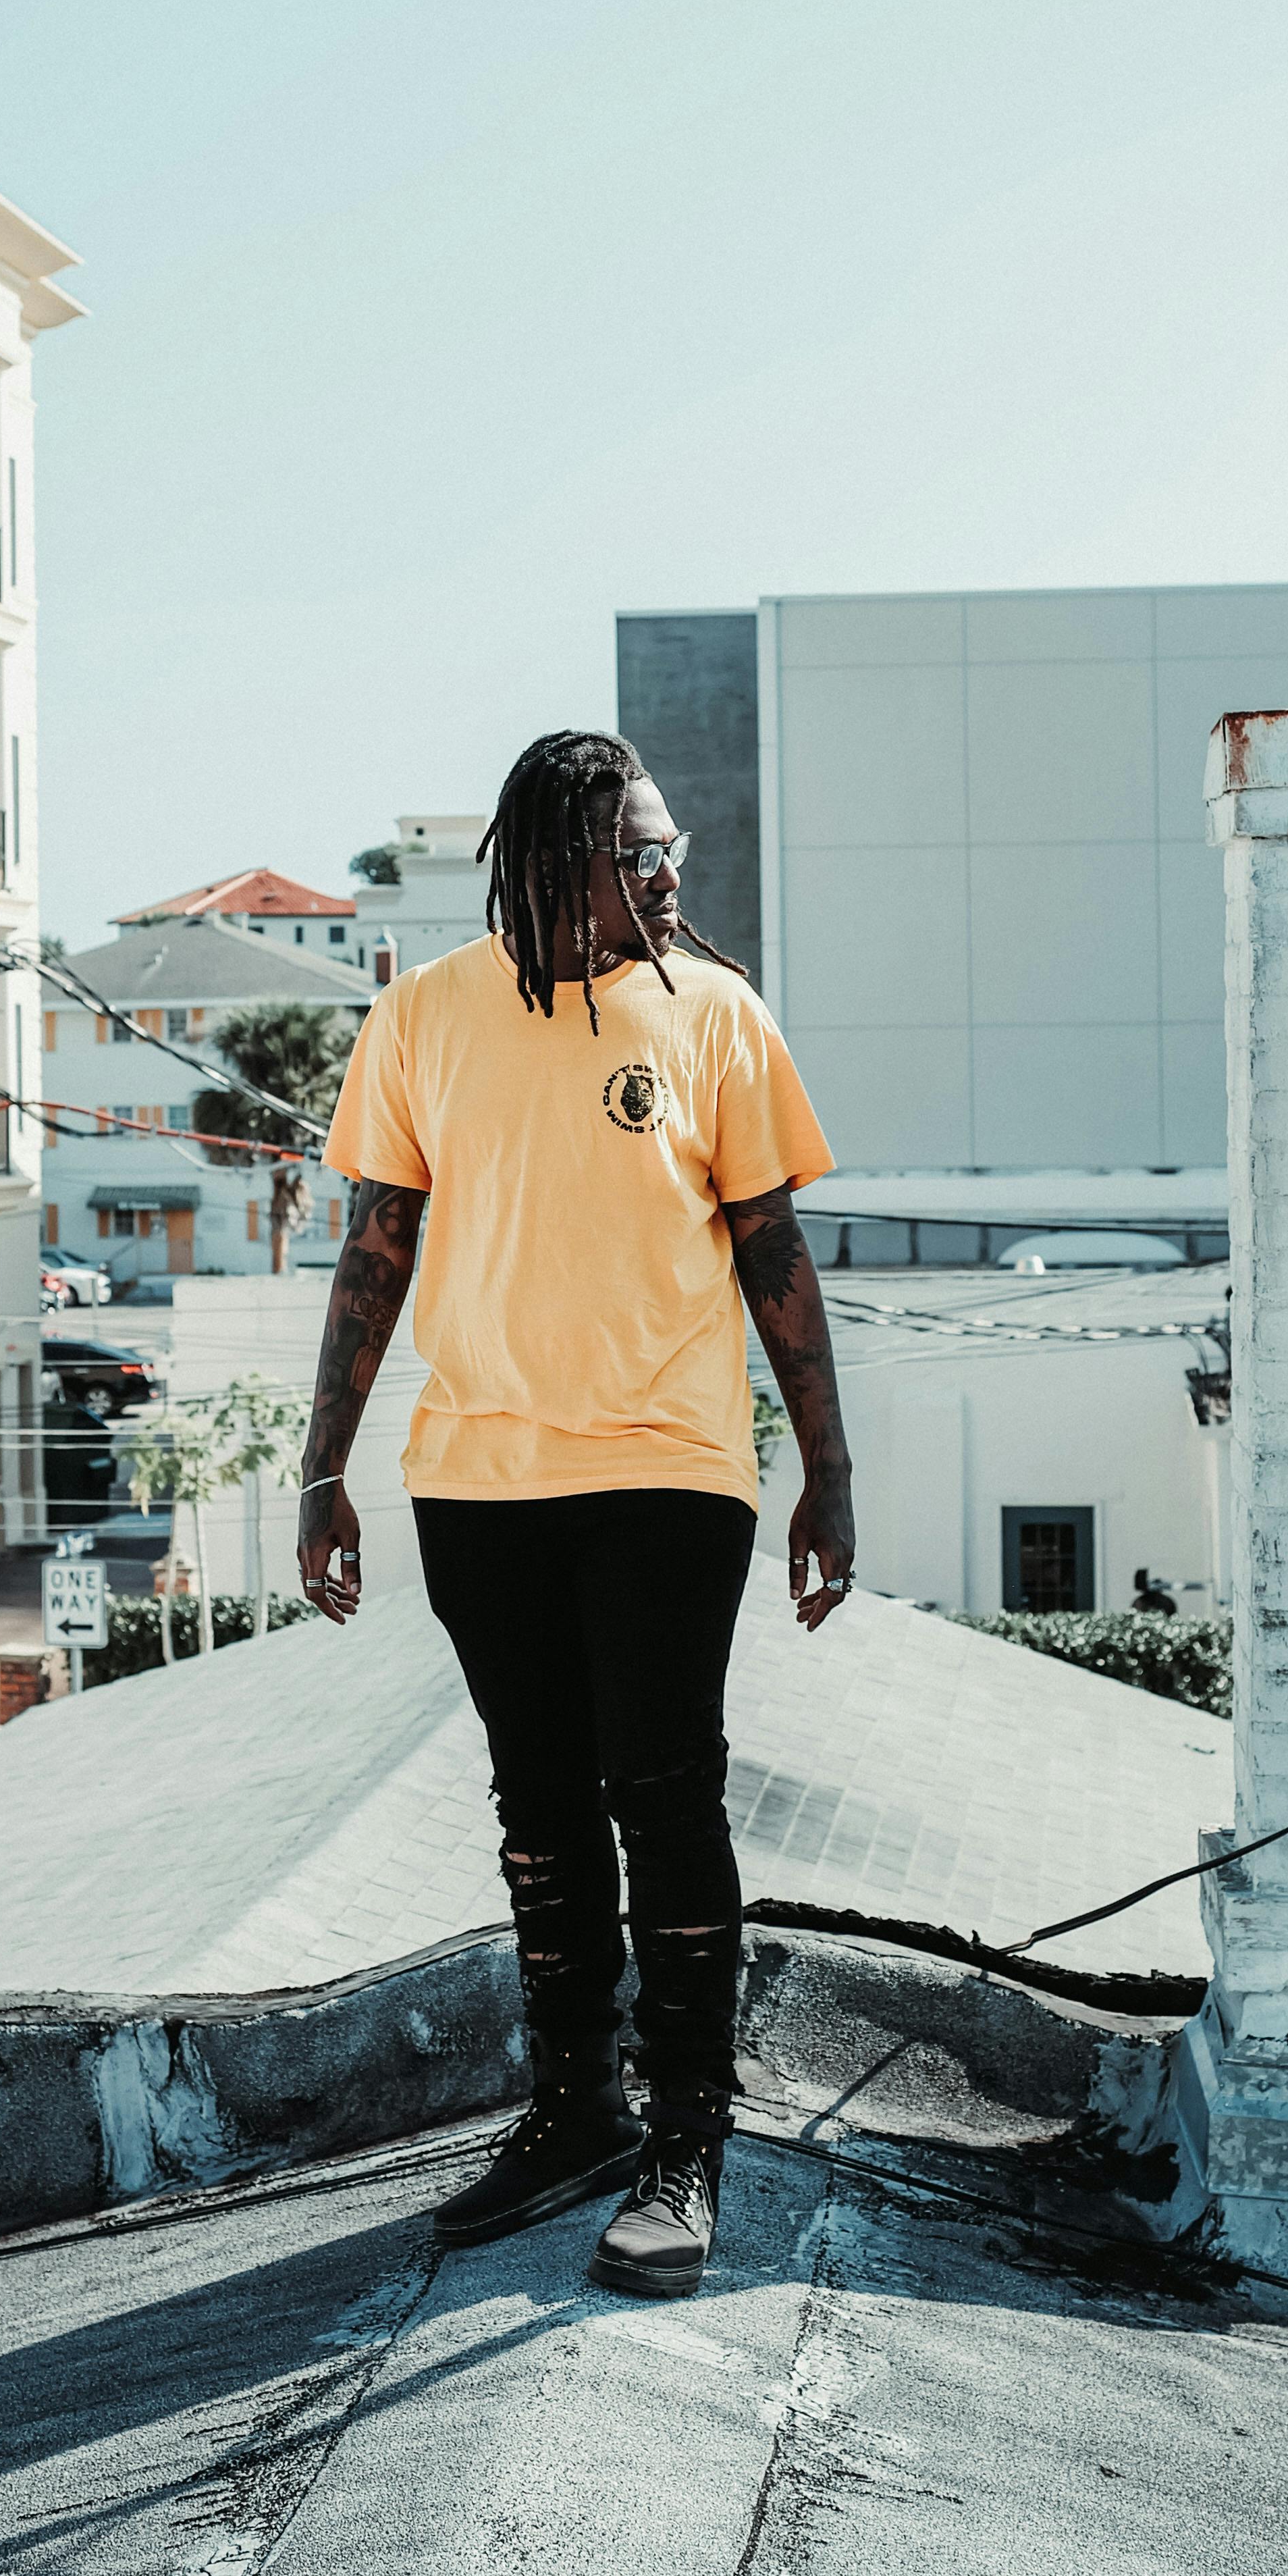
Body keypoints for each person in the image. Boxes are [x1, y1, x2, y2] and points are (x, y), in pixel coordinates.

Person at [298, 727, 855, 2298]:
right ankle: (576, 2112)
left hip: (673, 1473)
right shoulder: (421, 1018)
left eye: (671, 852)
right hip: (479, 1482)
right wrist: (322, 1465)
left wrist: (832, 1468)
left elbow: (775, 1255)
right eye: (643, 853)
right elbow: (374, 1254)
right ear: (558, 864)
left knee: (664, 1799)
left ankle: (689, 2141)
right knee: (538, 1811)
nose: (671, 877)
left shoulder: (716, 1016)